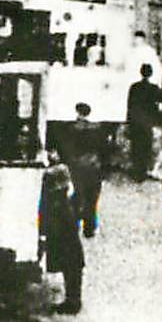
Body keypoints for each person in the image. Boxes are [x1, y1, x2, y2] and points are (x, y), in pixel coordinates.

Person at [39, 160, 84, 315]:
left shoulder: (61, 206)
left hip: (67, 241)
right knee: (72, 268)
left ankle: (73, 302)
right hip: (71, 242)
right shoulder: (68, 199)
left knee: (70, 266)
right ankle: (73, 300)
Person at [61, 101, 107, 237]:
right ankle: (89, 227)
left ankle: (73, 225)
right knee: (92, 198)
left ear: (77, 112)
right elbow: (103, 149)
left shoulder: (71, 128)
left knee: (76, 196)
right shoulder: (97, 128)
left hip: (76, 165)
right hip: (93, 165)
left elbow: (67, 148)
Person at [126, 63, 161, 181]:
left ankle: (137, 171)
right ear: (151, 74)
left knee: (136, 146)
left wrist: (128, 122)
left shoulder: (134, 87)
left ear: (141, 73)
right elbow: (156, 107)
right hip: (147, 123)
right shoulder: (154, 88)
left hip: (136, 122)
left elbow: (130, 106)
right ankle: (143, 171)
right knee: (146, 147)